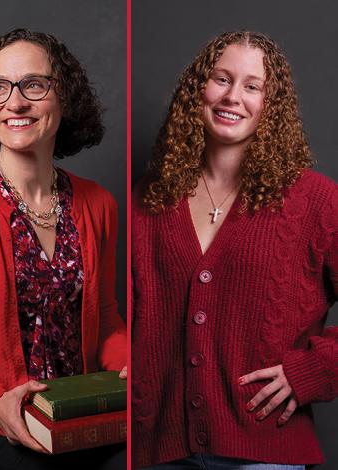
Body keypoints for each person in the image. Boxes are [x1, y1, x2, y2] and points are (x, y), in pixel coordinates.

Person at [0, 28, 127, 470]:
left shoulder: (99, 205)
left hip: (79, 416)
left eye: (34, 84)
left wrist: (130, 367)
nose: (15, 103)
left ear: (65, 98)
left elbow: (105, 317)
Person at [132, 31, 338, 469]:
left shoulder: (316, 202)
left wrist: (312, 371)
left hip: (265, 451)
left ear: (272, 104)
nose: (232, 97)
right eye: (220, 79)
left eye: (252, 86)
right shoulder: (148, 200)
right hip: (159, 448)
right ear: (197, 90)